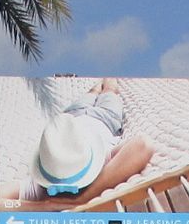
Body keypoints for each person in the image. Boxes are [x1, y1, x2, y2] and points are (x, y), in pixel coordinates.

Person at [13, 79, 154, 209]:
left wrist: (44, 206)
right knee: (110, 89)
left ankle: (98, 84)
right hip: (106, 117)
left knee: (92, 91)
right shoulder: (100, 165)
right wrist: (83, 198)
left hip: (71, 117)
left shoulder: (40, 185)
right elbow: (143, 145)